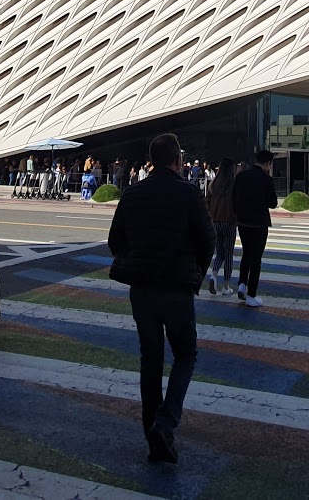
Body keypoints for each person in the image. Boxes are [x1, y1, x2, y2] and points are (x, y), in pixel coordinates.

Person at [106, 133, 213, 465]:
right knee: (185, 355)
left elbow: (114, 241)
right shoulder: (189, 193)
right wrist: (196, 272)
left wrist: (138, 259)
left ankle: (153, 435)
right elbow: (208, 240)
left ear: (152, 161)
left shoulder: (132, 193)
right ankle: (165, 424)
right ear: (178, 160)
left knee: (150, 359)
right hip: (177, 289)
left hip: (142, 290)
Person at [231, 149, 276, 307]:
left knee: (246, 253)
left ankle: (242, 284)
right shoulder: (267, 180)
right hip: (259, 223)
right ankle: (251, 294)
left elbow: (233, 198)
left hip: (243, 222)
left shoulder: (241, 176)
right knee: (256, 259)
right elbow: (273, 203)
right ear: (268, 163)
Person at [204, 157, 239, 295]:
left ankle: (213, 275)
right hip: (229, 222)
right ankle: (226, 286)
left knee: (219, 253)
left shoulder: (213, 184)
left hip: (215, 222)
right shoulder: (234, 185)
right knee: (228, 254)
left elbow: (207, 202)